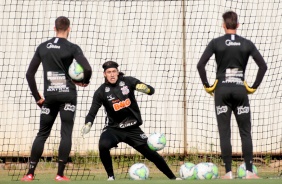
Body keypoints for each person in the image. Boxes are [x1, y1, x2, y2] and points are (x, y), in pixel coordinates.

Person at [81, 61, 180, 181]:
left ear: (117, 72)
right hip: (114, 129)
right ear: (104, 74)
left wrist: (146, 89)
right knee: (103, 145)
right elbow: (92, 111)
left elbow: (151, 90)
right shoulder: (101, 91)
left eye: (113, 71)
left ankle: (173, 178)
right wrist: (88, 123)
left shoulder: (128, 81)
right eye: (108, 72)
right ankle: (111, 177)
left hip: (132, 128)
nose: (112, 74)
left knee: (151, 154)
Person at [197, 11, 267, 179]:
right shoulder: (247, 43)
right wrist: (253, 87)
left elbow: (200, 65)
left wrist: (207, 86)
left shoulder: (216, 43)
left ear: (223, 25)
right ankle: (249, 171)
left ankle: (228, 172)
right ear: (237, 25)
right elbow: (263, 66)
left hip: (221, 91)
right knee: (245, 131)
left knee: (224, 132)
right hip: (240, 91)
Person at [22, 16, 92, 181]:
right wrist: (83, 81)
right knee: (66, 133)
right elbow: (87, 68)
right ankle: (60, 174)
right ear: (69, 28)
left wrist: (38, 98)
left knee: (42, 133)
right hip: (68, 95)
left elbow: (29, 74)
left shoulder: (43, 47)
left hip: (50, 96)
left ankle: (30, 173)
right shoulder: (72, 47)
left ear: (54, 28)